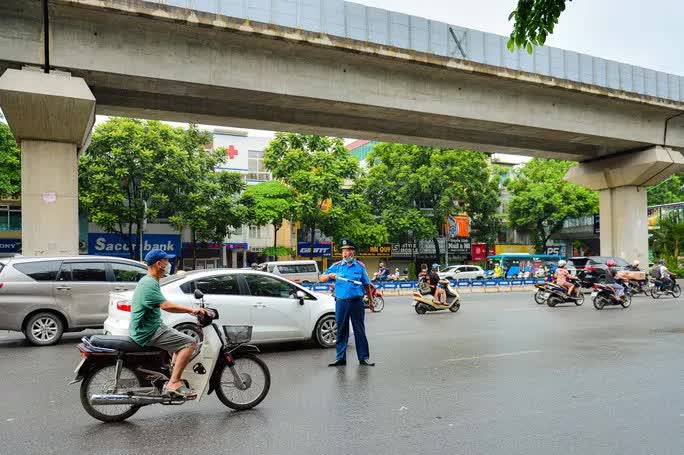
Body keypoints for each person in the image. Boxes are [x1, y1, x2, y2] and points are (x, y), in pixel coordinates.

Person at [129, 249, 208, 397]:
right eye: (167, 261)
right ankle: (174, 382)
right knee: (190, 343)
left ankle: (172, 373)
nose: (169, 264)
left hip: (150, 326)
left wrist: (189, 310)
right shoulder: (149, 283)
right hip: (148, 331)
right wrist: (191, 310)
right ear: (159, 264)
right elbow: (166, 306)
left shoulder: (150, 281)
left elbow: (164, 304)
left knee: (178, 339)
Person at [320, 239, 376, 367]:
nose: (345, 253)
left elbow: (367, 285)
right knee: (341, 330)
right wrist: (330, 276)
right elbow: (321, 278)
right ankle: (340, 358)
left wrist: (371, 302)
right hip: (342, 302)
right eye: (343, 251)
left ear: (353, 252)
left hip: (357, 302)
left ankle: (363, 358)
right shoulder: (337, 266)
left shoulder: (360, 267)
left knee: (359, 330)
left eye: (347, 251)